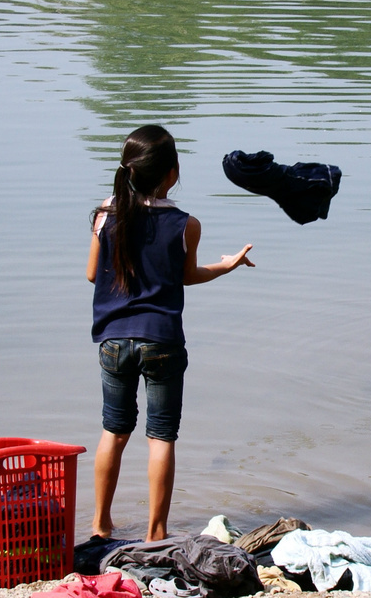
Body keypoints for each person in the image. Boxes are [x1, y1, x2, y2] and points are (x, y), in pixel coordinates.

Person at [86, 124, 254, 542]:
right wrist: (229, 265)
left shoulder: (105, 214)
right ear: (172, 173)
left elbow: (93, 274)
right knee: (161, 436)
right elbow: (188, 276)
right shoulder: (185, 224)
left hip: (112, 340)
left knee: (114, 430)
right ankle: (156, 533)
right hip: (162, 341)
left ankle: (100, 525)